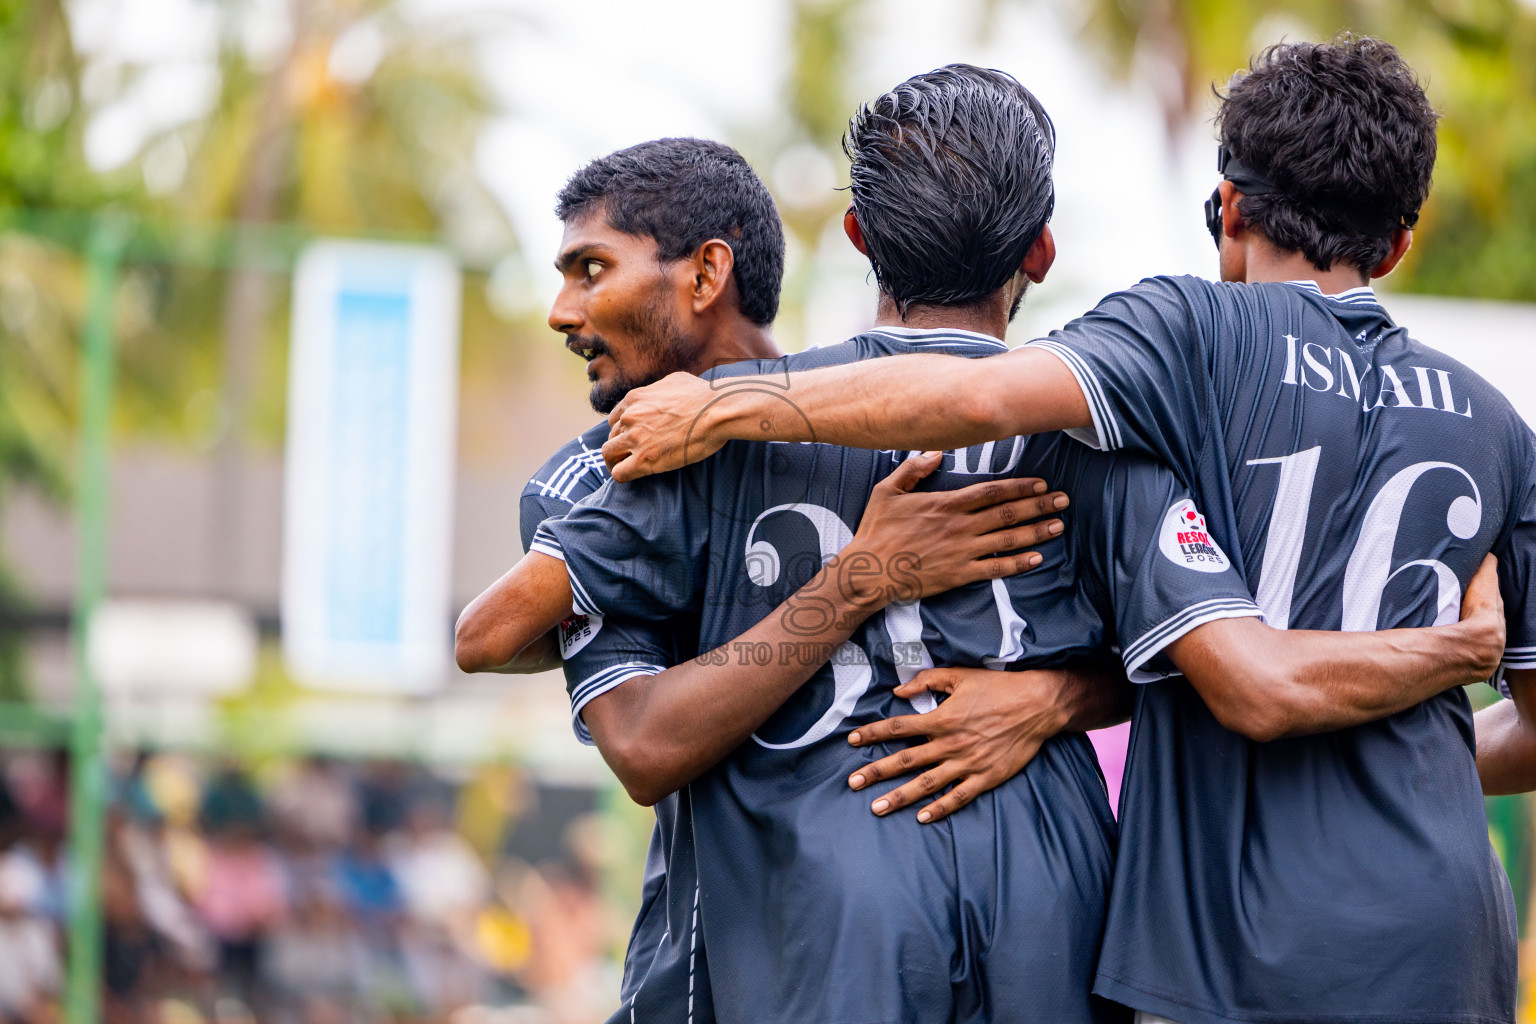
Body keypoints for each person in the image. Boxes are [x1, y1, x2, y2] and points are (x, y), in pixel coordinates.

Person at [492, 65, 1502, 1023]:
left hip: (810, 932)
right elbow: (1206, 658)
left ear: (856, 236)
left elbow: (500, 632)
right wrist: (1042, 682)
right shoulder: (1115, 443)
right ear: (1041, 255)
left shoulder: (693, 434)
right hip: (1060, 920)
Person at [457, 137, 1072, 1023]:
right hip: (724, 961)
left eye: (590, 269)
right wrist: (855, 581)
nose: (561, 311)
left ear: (707, 274)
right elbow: (632, 739)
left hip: (969, 937)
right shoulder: (592, 480)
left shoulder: (886, 405)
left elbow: (1171, 645)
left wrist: (1055, 695)